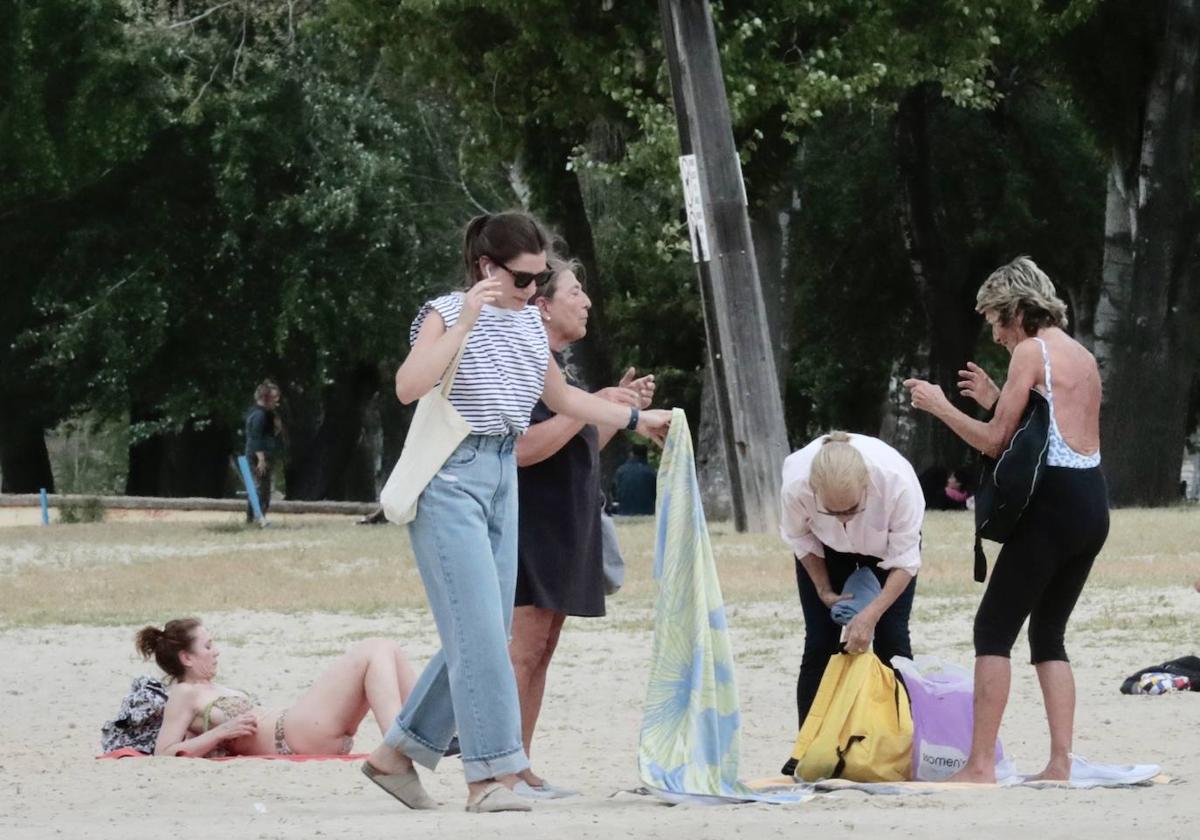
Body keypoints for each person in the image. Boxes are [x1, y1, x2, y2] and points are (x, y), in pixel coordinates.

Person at [362, 211, 672, 814]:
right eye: (525, 280)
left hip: (505, 475)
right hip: (451, 476)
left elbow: (563, 399)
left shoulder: (530, 327)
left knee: (484, 630)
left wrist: (636, 419)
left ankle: (397, 755)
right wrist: (469, 318)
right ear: (487, 268)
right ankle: (489, 777)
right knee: (482, 633)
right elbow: (408, 385)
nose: (535, 292)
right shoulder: (446, 312)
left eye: (540, 280)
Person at [904, 256, 1108, 783]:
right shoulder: (1079, 354)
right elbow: (1048, 428)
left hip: (1053, 507)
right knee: (1049, 634)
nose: (994, 333)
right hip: (1091, 503)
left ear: (1019, 310)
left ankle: (978, 766)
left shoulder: (1030, 352)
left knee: (993, 628)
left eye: (996, 318)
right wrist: (998, 399)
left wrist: (941, 407)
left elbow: (996, 441)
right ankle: (1060, 762)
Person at [509, 258, 655, 799]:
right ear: (543, 305)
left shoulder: (558, 372)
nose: (587, 301)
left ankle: (522, 766)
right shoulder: (525, 367)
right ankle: (502, 767)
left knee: (542, 651)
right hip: (532, 523)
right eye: (576, 291)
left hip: (568, 522)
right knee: (521, 651)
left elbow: (575, 447)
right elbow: (524, 451)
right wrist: (591, 406)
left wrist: (613, 412)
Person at [779, 431, 923, 733]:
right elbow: (800, 537)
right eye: (832, 512)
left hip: (887, 550)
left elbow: (905, 561)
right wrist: (823, 588)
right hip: (826, 548)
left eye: (851, 509)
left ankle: (902, 742)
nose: (843, 519)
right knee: (819, 641)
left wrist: (871, 615)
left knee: (893, 639)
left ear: (867, 486)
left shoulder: (897, 481)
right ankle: (809, 748)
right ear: (813, 490)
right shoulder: (796, 483)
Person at [136, 617, 415, 757]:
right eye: (208, 646)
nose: (216, 651)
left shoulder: (213, 688)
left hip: (300, 728)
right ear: (186, 658)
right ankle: (398, 746)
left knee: (387, 648)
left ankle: (425, 731)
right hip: (290, 735)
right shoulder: (185, 693)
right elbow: (165, 753)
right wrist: (220, 732)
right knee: (373, 649)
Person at [244, 380, 282, 522]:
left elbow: (271, 433)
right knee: (261, 489)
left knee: (263, 488)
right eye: (274, 397)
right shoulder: (259, 414)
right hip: (258, 456)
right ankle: (256, 518)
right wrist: (261, 459)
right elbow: (255, 437)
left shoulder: (266, 413)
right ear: (265, 397)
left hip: (264, 453)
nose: (276, 401)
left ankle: (257, 517)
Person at [613, 445, 657, 515]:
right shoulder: (651, 472)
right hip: (647, 512)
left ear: (631, 454)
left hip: (624, 512)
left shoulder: (621, 470)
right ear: (646, 454)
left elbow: (616, 492)